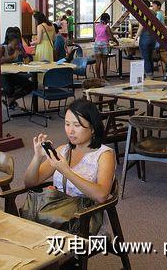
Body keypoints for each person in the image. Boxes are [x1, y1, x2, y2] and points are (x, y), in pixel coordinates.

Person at [24, 99, 116, 233]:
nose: (71, 131)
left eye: (77, 125)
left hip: (83, 222)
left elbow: (101, 195)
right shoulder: (63, 150)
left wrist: (66, 171)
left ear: (93, 128)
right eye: (67, 124)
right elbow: (30, 183)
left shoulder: (104, 155)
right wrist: (37, 157)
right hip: (56, 215)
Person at [135, 0, 164, 78]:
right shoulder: (154, 13)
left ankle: (149, 74)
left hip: (145, 37)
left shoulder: (144, 13)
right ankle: (151, 73)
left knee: (145, 57)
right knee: (150, 56)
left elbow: (141, 26)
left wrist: (135, 38)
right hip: (153, 37)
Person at [94, 13, 119, 80]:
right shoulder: (106, 27)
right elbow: (111, 37)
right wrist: (117, 42)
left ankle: (98, 78)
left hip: (97, 44)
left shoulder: (96, 26)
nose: (109, 21)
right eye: (108, 20)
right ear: (107, 19)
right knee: (104, 62)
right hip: (104, 44)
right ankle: (105, 77)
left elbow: (96, 36)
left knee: (98, 62)